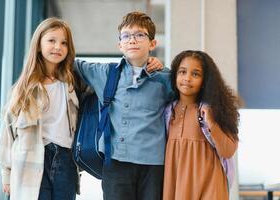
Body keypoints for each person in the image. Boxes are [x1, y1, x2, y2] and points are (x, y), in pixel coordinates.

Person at [74, 11, 173, 200]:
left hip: (153, 165)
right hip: (116, 162)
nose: (132, 40)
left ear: (152, 43)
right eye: (126, 36)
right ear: (119, 44)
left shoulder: (165, 79)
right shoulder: (105, 73)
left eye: (140, 35)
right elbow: (71, 63)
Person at [0, 17, 83, 200]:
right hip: (31, 160)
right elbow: (7, 133)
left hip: (65, 160)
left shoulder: (72, 83)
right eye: (52, 40)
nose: (58, 47)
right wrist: (6, 174)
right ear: (38, 45)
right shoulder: (23, 89)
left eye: (64, 43)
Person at [163, 50, 240, 200]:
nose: (187, 78)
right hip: (175, 185)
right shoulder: (166, 111)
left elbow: (227, 151)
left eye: (195, 74)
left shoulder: (215, 110)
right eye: (182, 72)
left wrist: (211, 122)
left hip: (210, 185)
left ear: (205, 80)